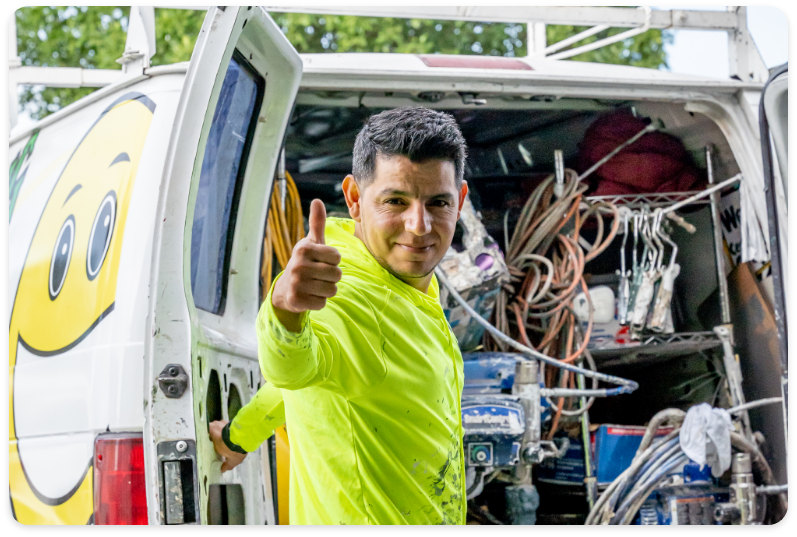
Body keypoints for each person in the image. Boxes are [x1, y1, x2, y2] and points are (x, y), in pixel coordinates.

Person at [215, 107, 469, 524]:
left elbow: (304, 387)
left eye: (437, 202)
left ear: (458, 200)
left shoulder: (401, 276)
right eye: (395, 201)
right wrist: (285, 311)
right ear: (354, 199)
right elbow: (294, 367)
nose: (419, 226)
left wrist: (237, 437)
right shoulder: (343, 297)